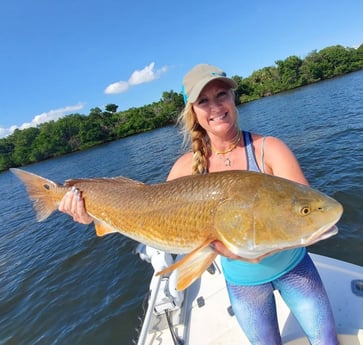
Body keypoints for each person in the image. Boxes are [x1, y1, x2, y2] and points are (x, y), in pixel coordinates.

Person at [59, 64, 339, 345]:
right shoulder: (184, 168)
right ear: (192, 111)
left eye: (221, 95)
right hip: (244, 284)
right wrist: (91, 214)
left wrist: (253, 249)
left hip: (295, 268)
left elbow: (309, 207)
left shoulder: (270, 148)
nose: (216, 106)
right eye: (203, 101)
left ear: (233, 98)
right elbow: (144, 209)